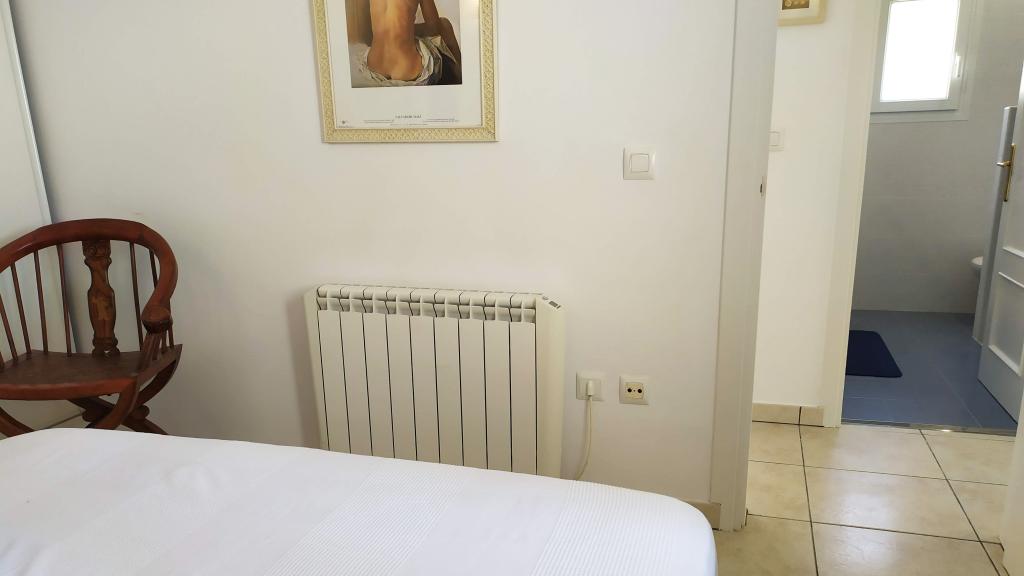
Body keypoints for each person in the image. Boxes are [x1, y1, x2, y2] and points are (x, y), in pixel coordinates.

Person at [350, 0, 462, 88]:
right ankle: (461, 77)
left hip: (375, 68)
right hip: (407, 72)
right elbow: (434, 28)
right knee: (445, 24)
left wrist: (401, 29)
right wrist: (405, 29)